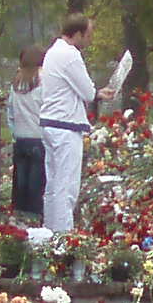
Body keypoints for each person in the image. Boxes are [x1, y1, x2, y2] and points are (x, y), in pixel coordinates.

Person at [36, 12, 127, 238]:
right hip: (65, 125)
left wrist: (97, 93)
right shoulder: (70, 55)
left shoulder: (53, 52)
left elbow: (84, 91)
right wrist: (96, 93)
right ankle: (63, 237)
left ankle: (51, 231)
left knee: (54, 183)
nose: (90, 39)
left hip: (52, 123)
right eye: (88, 35)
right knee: (66, 186)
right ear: (76, 34)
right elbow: (86, 91)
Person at [7, 43, 47, 220]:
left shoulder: (17, 81)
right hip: (39, 137)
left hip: (21, 138)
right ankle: (35, 217)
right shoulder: (44, 78)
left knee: (20, 182)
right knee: (36, 184)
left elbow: (10, 112)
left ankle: (18, 215)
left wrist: (14, 133)